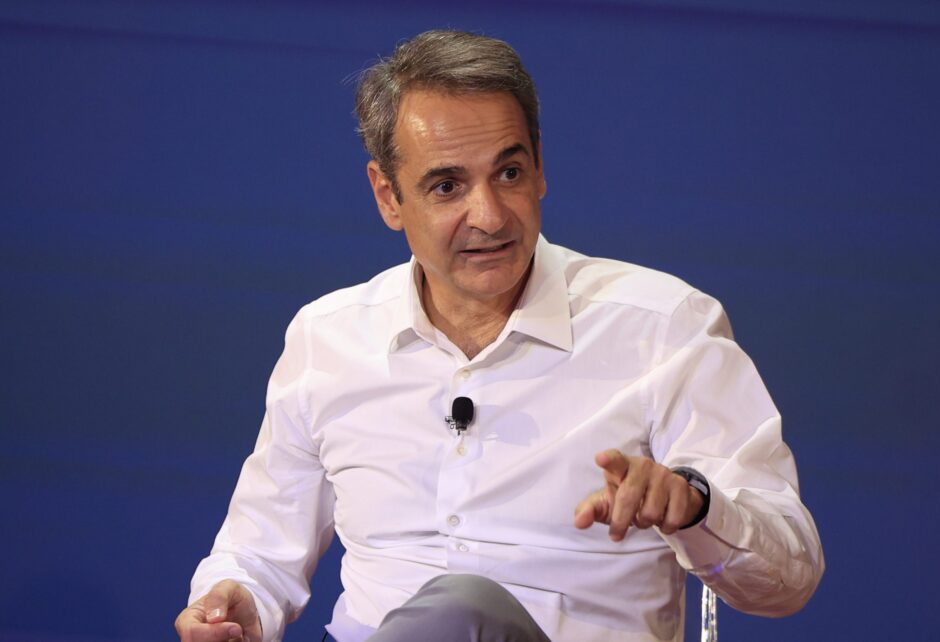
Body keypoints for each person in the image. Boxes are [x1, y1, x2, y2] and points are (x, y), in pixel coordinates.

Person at [175, 29, 823, 642]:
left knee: (462, 608)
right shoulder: (328, 337)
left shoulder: (662, 327)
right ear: (388, 196)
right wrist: (237, 603)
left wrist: (696, 508)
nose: (487, 215)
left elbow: (789, 579)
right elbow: (258, 552)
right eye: (447, 186)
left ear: (539, 167)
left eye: (509, 173)